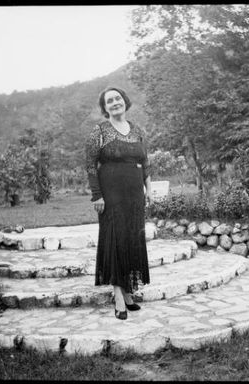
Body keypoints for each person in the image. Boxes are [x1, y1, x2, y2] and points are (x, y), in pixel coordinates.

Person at [85, 87, 153, 320]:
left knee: (132, 240)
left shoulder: (137, 130)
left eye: (117, 98)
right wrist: (97, 196)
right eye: (109, 101)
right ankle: (118, 296)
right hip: (111, 195)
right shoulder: (99, 131)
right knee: (115, 240)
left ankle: (128, 291)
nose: (115, 103)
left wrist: (149, 190)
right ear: (105, 108)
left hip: (135, 194)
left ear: (124, 101)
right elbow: (90, 165)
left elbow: (145, 163)